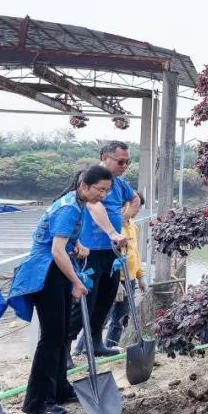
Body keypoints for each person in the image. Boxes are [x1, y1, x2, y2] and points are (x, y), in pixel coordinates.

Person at [9, 165, 112, 414]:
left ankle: (60, 387)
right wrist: (77, 282)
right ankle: (38, 402)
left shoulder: (76, 204)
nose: (103, 195)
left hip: (58, 270)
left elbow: (62, 239)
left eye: (107, 191)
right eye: (100, 190)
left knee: (62, 331)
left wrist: (77, 245)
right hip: (47, 273)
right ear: (84, 186)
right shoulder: (68, 208)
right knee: (52, 338)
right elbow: (55, 250)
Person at [70, 141, 138, 358]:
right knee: (85, 300)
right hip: (89, 251)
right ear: (105, 157)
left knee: (106, 299)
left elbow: (135, 198)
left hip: (112, 251)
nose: (124, 165)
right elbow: (93, 206)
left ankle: (96, 342)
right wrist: (112, 232)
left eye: (127, 162)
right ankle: (64, 349)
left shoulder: (119, 183)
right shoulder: (91, 179)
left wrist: (126, 217)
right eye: (120, 161)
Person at [104, 195, 147, 349]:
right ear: (124, 206)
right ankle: (82, 349)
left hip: (130, 279)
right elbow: (110, 256)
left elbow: (135, 254)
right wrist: (116, 283)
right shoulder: (114, 228)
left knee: (120, 318)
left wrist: (141, 276)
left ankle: (110, 347)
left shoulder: (133, 227)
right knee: (101, 316)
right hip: (115, 279)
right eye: (135, 206)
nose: (137, 211)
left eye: (139, 207)